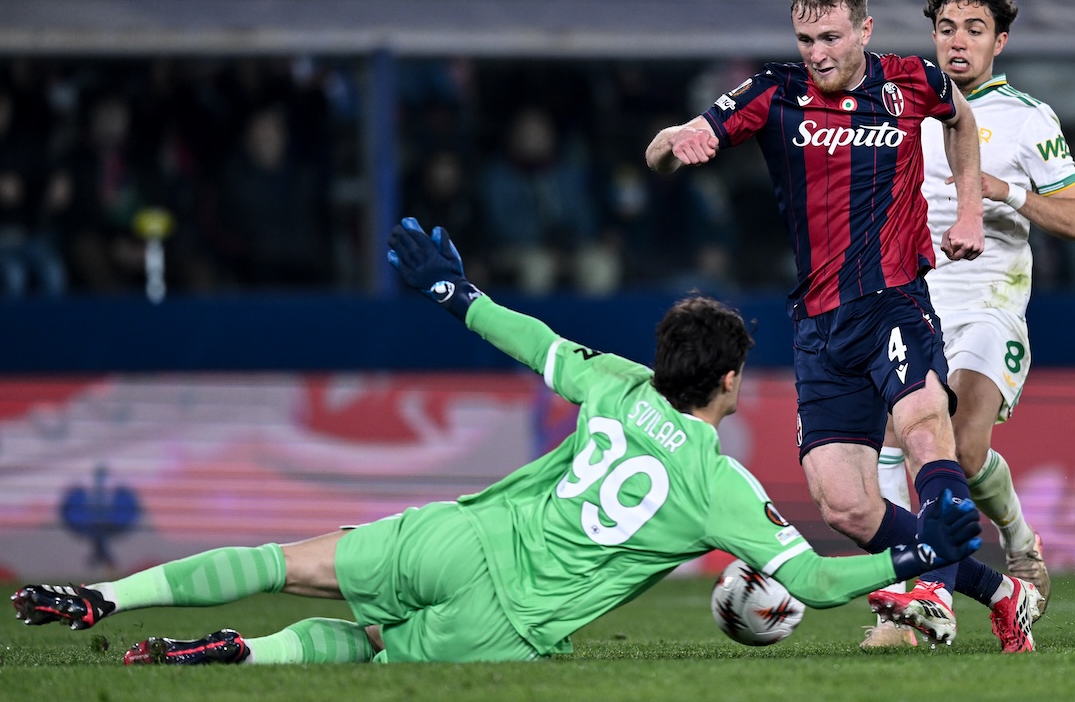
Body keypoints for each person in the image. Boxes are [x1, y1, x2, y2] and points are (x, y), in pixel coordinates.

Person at [11, 217, 983, 666]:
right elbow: (810, 582)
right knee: (364, 654)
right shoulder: (719, 484)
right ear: (730, 381)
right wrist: (916, 551)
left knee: (285, 558)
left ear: (662, 358)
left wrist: (457, 294)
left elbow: (534, 342)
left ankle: (107, 593)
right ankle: (242, 658)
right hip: (510, 615)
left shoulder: (613, 382)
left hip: (463, 532)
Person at [644, 0, 1043, 652]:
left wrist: (972, 210)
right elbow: (661, 148)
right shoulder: (774, 92)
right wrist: (679, 148)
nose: (817, 53)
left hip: (894, 300)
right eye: (806, 39)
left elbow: (962, 119)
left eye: (830, 37)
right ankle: (1005, 595)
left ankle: (929, 596)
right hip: (820, 324)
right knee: (846, 505)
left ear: (864, 29)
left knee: (924, 430)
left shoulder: (909, 81)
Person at [861, 0, 1075, 647]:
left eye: (974, 30)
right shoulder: (901, 106)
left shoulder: (1027, 118)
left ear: (1000, 40)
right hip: (912, 299)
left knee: (960, 450)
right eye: (947, 29)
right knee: (897, 440)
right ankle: (914, 603)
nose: (958, 42)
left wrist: (1006, 192)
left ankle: (1020, 546)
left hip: (990, 303)